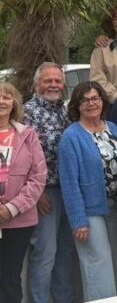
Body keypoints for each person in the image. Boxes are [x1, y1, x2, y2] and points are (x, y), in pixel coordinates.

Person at [58, 82, 117, 300]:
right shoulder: (71, 136)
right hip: (90, 211)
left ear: (103, 101)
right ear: (76, 105)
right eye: (84, 100)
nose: (91, 103)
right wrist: (78, 221)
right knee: (97, 266)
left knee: (112, 262)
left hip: (115, 206)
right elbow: (69, 182)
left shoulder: (112, 127)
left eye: (95, 98)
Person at [25, 62, 76, 303]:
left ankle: (64, 298)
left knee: (66, 251)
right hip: (45, 194)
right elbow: (22, 160)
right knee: (45, 253)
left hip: (69, 191)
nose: (53, 85)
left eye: (58, 81)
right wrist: (36, 194)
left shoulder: (65, 111)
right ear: (37, 84)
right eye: (48, 80)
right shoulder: (26, 113)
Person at [0, 82, 47, 303]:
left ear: (14, 103)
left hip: (18, 221)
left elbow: (38, 176)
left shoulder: (27, 135)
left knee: (10, 277)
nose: (1, 101)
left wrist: (10, 209)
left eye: (6, 97)